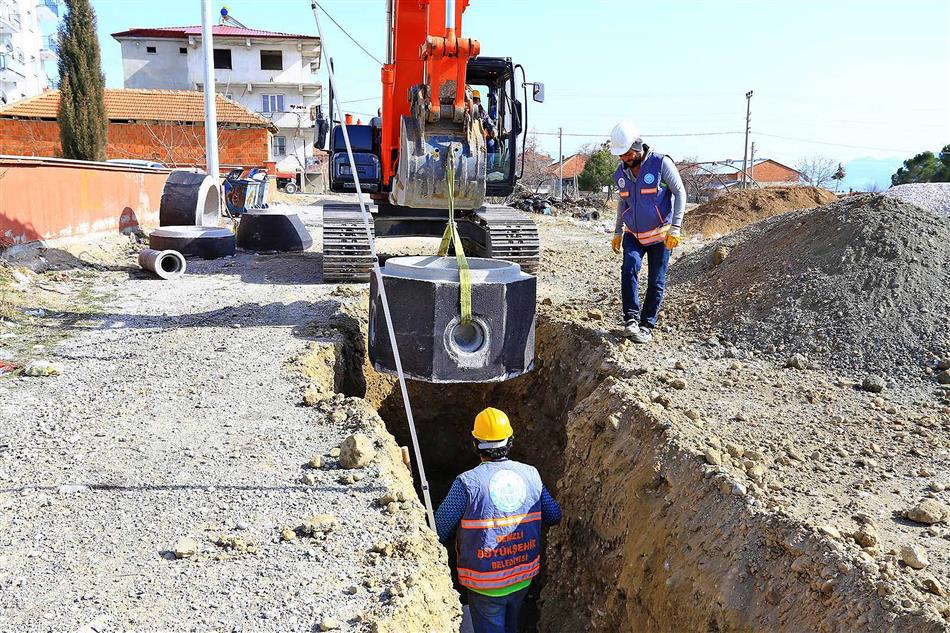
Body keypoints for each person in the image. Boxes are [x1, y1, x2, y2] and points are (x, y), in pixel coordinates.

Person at [435, 407, 561, 633]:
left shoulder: (467, 483)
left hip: (486, 583)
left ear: (475, 443)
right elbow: (554, 515)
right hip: (522, 576)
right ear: (510, 441)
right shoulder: (532, 474)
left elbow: (437, 530)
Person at [608, 120, 687, 343]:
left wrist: (676, 227)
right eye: (620, 155)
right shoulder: (620, 172)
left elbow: (680, 193)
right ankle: (631, 319)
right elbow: (623, 202)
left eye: (626, 153)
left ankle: (646, 326)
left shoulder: (661, 164)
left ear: (638, 145)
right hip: (633, 234)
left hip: (660, 236)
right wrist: (617, 232)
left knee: (656, 281)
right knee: (629, 269)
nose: (623, 158)